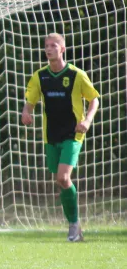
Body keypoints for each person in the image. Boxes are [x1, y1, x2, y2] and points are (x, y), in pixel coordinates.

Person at [22, 33, 99, 242]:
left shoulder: (76, 75)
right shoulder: (40, 76)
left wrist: (88, 121)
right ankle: (75, 226)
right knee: (61, 180)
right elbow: (30, 100)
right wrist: (26, 112)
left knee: (63, 177)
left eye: (53, 45)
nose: (49, 49)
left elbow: (94, 100)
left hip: (73, 134)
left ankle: (73, 226)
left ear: (62, 49)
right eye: (46, 46)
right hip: (51, 135)